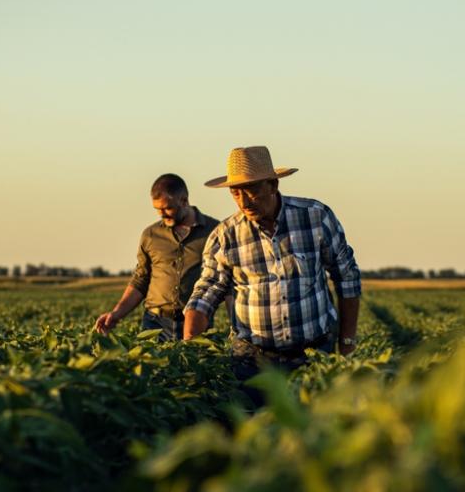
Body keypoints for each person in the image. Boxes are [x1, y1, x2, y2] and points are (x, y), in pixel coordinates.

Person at [183, 146, 361, 394]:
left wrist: (347, 342)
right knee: (254, 426)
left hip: (314, 354)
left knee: (314, 426)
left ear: (273, 185)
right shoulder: (225, 236)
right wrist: (191, 344)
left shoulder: (315, 217)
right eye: (236, 193)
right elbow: (206, 293)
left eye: (252, 190)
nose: (244, 201)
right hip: (252, 360)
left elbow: (347, 277)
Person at [95, 174, 220, 341]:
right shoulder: (150, 235)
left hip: (196, 322)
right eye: (157, 209)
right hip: (155, 324)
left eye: (168, 208)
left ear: (184, 200)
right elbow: (140, 280)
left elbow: (225, 281)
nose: (162, 214)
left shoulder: (214, 231)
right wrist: (117, 313)